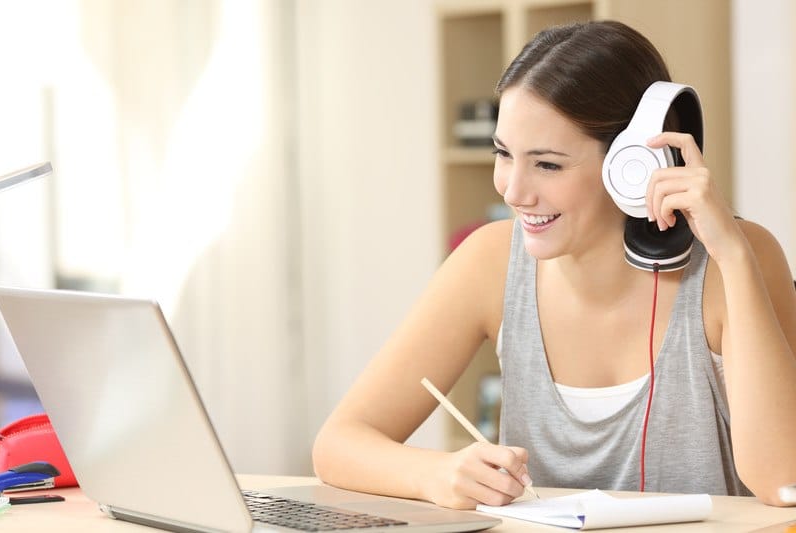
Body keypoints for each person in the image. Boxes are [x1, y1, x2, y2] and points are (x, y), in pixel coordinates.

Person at [312, 20, 796, 509]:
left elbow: (783, 481)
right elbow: (340, 443)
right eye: (504, 154)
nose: (513, 191)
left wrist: (733, 255)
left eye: (547, 164)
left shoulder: (736, 259)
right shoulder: (489, 259)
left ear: (635, 163)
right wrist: (437, 473)